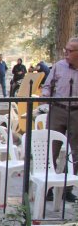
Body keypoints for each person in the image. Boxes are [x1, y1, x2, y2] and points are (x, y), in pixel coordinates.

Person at [41, 37, 78, 203]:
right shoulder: (58, 66)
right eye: (66, 49)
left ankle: (67, 188)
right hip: (58, 110)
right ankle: (47, 187)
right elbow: (47, 85)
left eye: (70, 51)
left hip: (76, 113)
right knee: (51, 150)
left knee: (75, 153)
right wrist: (46, 96)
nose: (66, 53)